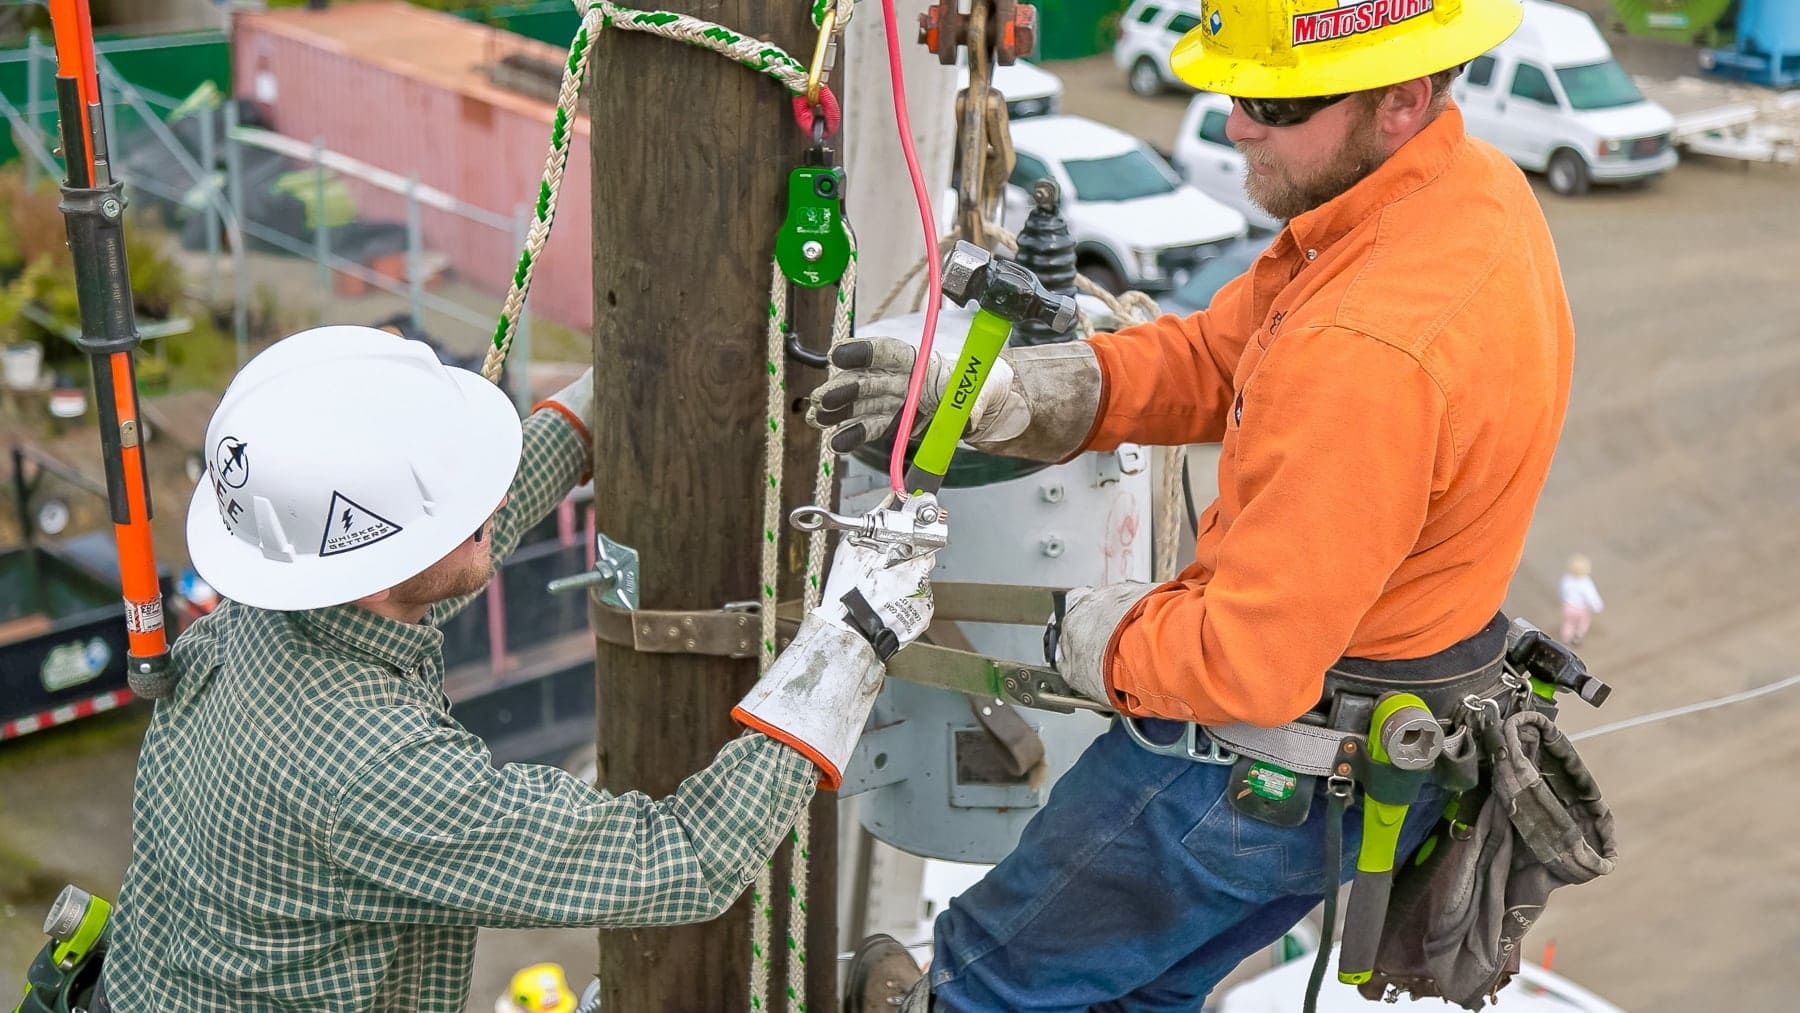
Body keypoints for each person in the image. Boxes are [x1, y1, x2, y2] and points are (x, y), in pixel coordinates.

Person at [814, 1, 1576, 1008]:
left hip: (1244, 776)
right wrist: (1042, 392)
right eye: (1228, 89)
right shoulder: (1450, 198)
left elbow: (1240, 663)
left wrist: (1103, 638)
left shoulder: (1370, 348)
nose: (1233, 126)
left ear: (1398, 99)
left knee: (975, 987)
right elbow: (1225, 354)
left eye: (1270, 98)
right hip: (1350, 753)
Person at [97, 326, 938, 1011]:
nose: (493, 500)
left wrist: (593, 404)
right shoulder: (373, 771)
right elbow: (682, 857)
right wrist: (850, 637)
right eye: (464, 511)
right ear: (374, 560)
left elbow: (440, 549)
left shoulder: (272, 605)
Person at [1559, 553, 1604, 646]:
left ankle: (1566, 639)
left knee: (1568, 623)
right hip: (1581, 609)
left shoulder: (1566, 579)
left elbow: (1562, 590)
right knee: (1583, 622)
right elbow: (1591, 596)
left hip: (1568, 607)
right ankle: (1578, 636)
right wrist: (1597, 606)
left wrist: (1563, 600)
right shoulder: (1586, 582)